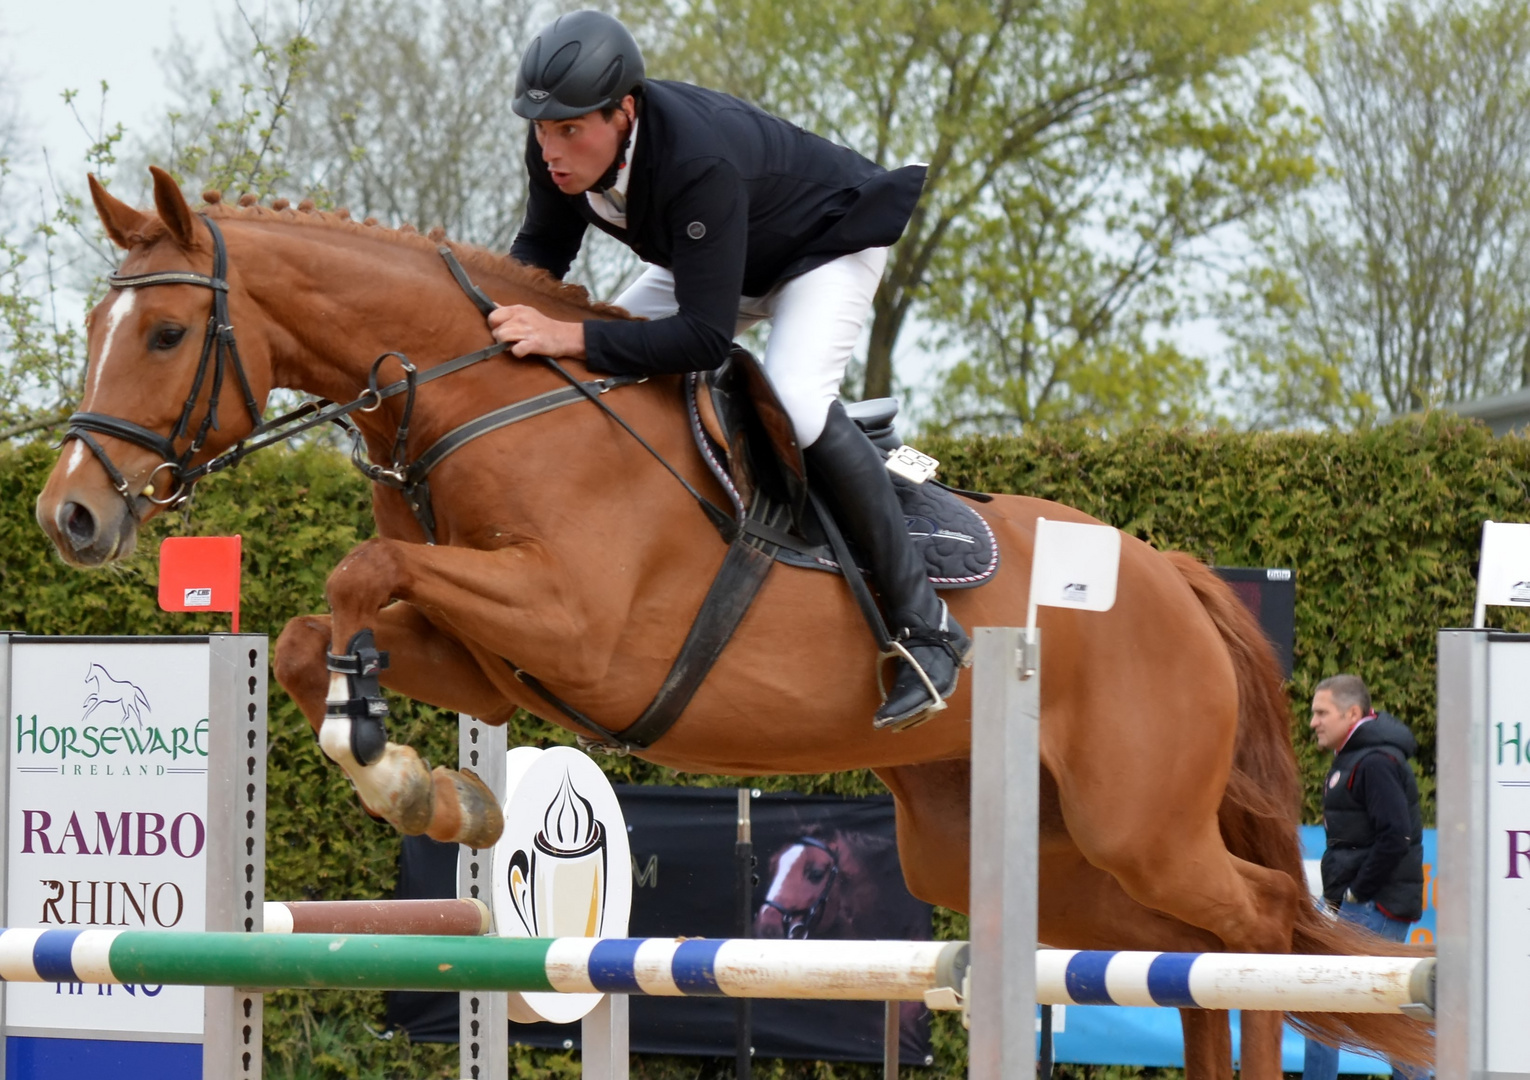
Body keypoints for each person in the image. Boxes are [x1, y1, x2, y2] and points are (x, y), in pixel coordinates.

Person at [489, 10, 970, 730]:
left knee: (799, 401)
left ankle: (926, 626)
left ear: (623, 112)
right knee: (587, 367)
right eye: (542, 130)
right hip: (724, 264)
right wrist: (488, 325)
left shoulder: (694, 160)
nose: (552, 149)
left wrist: (566, 334)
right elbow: (540, 257)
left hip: (822, 249)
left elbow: (705, 341)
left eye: (569, 130)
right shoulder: (556, 151)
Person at [1302, 674, 1426, 1080]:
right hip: (1361, 905)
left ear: (1352, 713)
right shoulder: (1356, 758)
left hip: (1375, 906)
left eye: (1321, 712)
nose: (1313, 722)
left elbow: (1396, 836)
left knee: (1353, 1008)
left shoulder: (1374, 762)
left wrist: (1357, 892)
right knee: (1344, 1008)